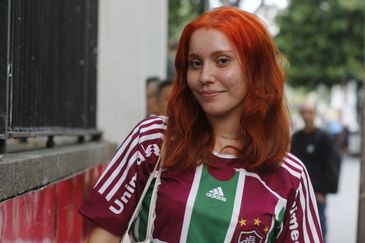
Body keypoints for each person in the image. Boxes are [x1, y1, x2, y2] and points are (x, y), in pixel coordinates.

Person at [79, 6, 324, 243]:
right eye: (195, 63)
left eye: (222, 61)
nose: (205, 76)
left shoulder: (290, 176)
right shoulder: (153, 140)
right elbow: (102, 235)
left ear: (256, 71)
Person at [291, 101, 341, 242]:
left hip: (317, 193)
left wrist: (323, 190)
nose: (307, 116)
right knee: (298, 227)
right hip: (298, 193)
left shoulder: (324, 138)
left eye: (310, 112)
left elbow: (332, 165)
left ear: (315, 114)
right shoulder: (296, 138)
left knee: (318, 225)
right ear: (300, 114)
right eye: (304, 112)